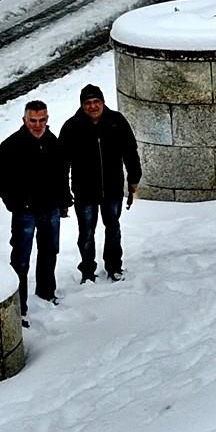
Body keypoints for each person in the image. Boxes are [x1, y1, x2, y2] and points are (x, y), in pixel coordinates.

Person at [0, 99, 70, 324]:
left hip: (50, 209)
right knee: (21, 260)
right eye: (33, 120)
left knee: (49, 252)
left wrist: (63, 201)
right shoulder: (10, 146)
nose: (37, 125)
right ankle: (20, 306)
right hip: (25, 212)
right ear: (24, 120)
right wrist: (16, 204)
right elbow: (0, 183)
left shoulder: (53, 143)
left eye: (42, 120)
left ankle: (47, 292)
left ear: (47, 119)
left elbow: (61, 175)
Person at [59, 84, 143, 284]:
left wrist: (133, 180)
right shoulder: (72, 127)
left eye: (96, 101)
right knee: (86, 232)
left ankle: (114, 266)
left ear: (103, 102)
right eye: (88, 103)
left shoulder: (117, 122)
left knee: (113, 228)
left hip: (112, 188)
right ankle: (88, 271)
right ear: (82, 105)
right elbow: (62, 163)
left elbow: (130, 152)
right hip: (84, 190)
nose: (93, 106)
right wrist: (64, 193)